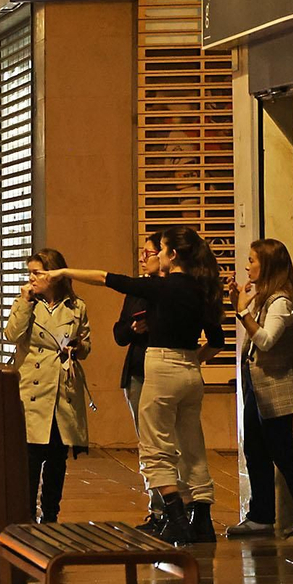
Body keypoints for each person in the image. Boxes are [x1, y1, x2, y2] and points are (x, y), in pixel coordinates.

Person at [41, 226, 227, 544]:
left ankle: (176, 518)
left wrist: (65, 270)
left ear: (172, 255)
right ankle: (203, 521)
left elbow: (107, 278)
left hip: (163, 368)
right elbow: (217, 340)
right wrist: (194, 359)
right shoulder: (201, 289)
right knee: (193, 446)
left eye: (162, 249)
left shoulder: (164, 287)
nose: (156, 255)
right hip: (190, 372)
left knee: (155, 449)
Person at [4, 249, 91, 524]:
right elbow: (12, 335)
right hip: (32, 389)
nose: (32, 278)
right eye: (30, 272)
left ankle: (51, 513)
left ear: (53, 274)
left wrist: (79, 347)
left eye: (37, 273)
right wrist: (25, 301)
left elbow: (87, 343)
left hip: (63, 390)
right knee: (30, 459)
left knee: (57, 459)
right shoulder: (29, 303)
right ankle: (26, 513)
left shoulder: (76, 306)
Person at [227, 239, 293, 538]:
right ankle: (261, 516)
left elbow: (267, 340)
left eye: (252, 260)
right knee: (255, 450)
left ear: (267, 264)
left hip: (275, 390)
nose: (247, 266)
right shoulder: (263, 297)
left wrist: (242, 313)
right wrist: (238, 304)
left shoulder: (281, 301)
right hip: (256, 390)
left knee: (283, 454)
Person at [112, 234, 160, 514]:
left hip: (162, 372)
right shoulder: (136, 291)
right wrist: (132, 329)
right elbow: (118, 334)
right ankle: (157, 504)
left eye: (149, 252)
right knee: (146, 441)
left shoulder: (171, 290)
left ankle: (180, 504)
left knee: (166, 441)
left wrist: (153, 327)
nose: (143, 257)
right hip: (136, 373)